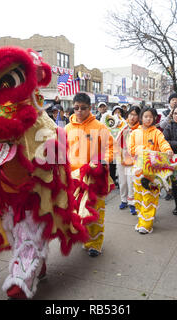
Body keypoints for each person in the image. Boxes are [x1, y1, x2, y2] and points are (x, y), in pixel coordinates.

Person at [65, 92, 114, 257]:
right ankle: (84, 237)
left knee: (95, 211)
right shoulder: (67, 128)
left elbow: (111, 148)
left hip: (94, 177)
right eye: (76, 108)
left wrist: (104, 161)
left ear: (90, 108)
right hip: (74, 178)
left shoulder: (99, 127)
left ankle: (95, 244)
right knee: (77, 212)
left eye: (83, 108)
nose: (79, 111)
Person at [130, 107, 174, 234]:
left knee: (150, 197)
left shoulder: (157, 133)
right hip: (137, 170)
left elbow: (163, 143)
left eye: (151, 116)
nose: (148, 119)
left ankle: (146, 224)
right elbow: (131, 149)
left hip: (152, 171)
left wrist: (168, 150)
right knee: (138, 197)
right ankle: (143, 218)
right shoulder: (134, 133)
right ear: (141, 117)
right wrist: (144, 150)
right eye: (145, 116)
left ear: (155, 118)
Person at [116, 106, 141, 215]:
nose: (132, 117)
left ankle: (132, 203)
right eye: (130, 114)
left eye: (135, 115)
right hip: (121, 155)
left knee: (131, 181)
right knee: (122, 180)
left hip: (133, 156)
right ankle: (123, 200)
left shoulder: (140, 128)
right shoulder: (121, 124)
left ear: (138, 116)